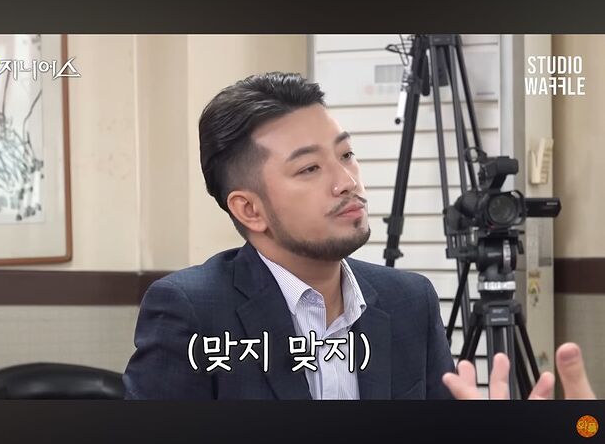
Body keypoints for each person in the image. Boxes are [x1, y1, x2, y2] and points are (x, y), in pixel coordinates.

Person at [123, 71, 595, 400]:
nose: (346, 181)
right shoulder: (192, 310)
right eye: (309, 168)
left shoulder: (409, 301)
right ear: (250, 209)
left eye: (346, 154)